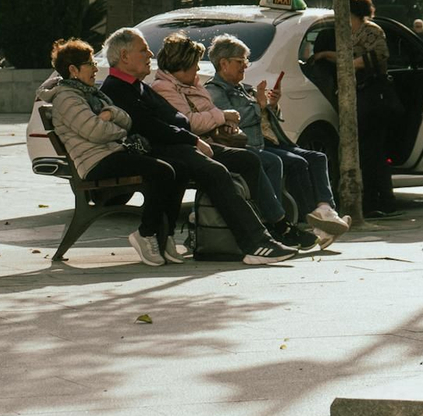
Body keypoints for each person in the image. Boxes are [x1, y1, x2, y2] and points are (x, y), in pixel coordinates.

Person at [99, 27, 296, 263]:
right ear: (124, 56)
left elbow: (177, 118)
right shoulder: (115, 88)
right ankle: (255, 243)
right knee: (214, 170)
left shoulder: (138, 85)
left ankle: (266, 231)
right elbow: (150, 127)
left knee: (247, 159)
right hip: (158, 152)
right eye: (143, 50)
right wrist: (192, 139)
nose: (150, 54)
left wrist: (189, 134)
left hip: (175, 145)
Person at [149, 33, 303, 252]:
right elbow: (189, 122)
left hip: (210, 142)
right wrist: (223, 116)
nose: (198, 70)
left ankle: (275, 224)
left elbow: (210, 112)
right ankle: (267, 231)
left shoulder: (192, 84)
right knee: (235, 166)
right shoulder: (165, 88)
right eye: (194, 65)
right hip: (193, 146)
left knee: (253, 160)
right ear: (180, 67)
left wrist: (223, 118)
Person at [36, 39, 181, 266]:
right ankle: (146, 234)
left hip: (112, 153)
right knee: (162, 172)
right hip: (96, 163)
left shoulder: (91, 94)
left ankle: (166, 234)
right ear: (73, 70)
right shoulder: (67, 97)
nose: (95, 69)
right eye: (90, 64)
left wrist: (111, 115)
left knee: (177, 167)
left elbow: (126, 119)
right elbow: (96, 131)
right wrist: (115, 125)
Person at [204, 35, 351, 249]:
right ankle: (310, 226)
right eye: (240, 61)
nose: (244, 66)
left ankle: (324, 210)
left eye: (246, 61)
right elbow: (236, 119)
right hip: (248, 146)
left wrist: (272, 105)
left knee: (317, 157)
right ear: (223, 63)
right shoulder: (215, 91)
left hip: (269, 141)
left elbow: (262, 117)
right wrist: (260, 105)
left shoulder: (242, 88)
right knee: (291, 162)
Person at [313, 0, 397, 217]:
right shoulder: (350, 33)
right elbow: (348, 56)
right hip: (362, 97)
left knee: (373, 152)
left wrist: (340, 63)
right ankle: (376, 201)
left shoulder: (371, 31)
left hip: (374, 97)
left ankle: (380, 202)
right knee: (367, 151)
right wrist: (324, 55)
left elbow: (369, 59)